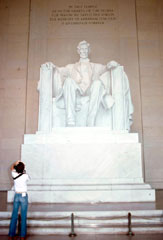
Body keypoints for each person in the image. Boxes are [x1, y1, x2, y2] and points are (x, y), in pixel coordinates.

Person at [8, 161, 30, 240]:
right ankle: (22, 236)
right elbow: (28, 178)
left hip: (16, 195)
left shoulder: (14, 174)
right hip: (23, 195)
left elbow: (12, 168)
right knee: (23, 216)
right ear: (23, 168)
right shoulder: (25, 176)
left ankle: (11, 235)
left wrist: (15, 163)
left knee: (14, 215)